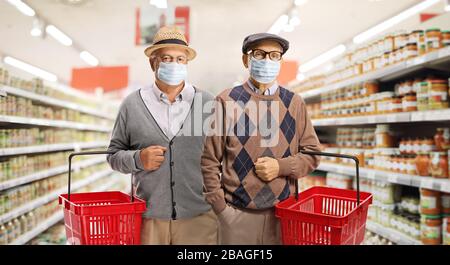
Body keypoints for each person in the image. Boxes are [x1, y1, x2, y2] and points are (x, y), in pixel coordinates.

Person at [201, 33, 321, 245]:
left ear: (281, 61)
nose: (267, 60)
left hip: (284, 215)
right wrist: (221, 209)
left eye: (274, 55)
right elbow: (209, 161)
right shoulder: (226, 100)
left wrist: (281, 166)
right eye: (259, 54)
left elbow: (313, 155)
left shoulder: (294, 103)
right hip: (236, 215)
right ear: (246, 60)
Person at [107, 26, 218, 245]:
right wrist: (138, 159)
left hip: (200, 218)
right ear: (153, 63)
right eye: (166, 58)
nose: (174, 64)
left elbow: (224, 155)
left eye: (180, 59)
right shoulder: (132, 104)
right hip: (149, 218)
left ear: (187, 64)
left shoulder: (207, 103)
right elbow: (113, 155)